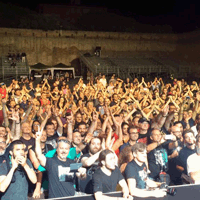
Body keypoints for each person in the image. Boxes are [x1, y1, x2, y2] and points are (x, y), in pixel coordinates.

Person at [35, 131, 87, 198]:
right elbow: (39, 155)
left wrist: (83, 174)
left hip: (70, 198)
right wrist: (37, 140)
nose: (64, 151)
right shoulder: (51, 162)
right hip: (55, 198)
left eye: (66, 149)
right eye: (61, 148)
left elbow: (81, 177)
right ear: (57, 149)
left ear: (69, 150)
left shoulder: (73, 163)